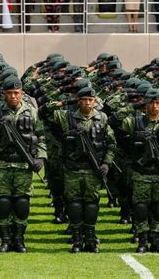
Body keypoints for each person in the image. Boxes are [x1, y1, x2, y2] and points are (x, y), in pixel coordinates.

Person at [41, 86, 116, 253]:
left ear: (95, 101)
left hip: (93, 170)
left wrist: (106, 163)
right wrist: (63, 102)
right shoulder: (66, 117)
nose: (87, 103)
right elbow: (43, 112)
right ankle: (76, 240)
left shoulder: (101, 118)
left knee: (91, 204)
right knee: (74, 204)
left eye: (91, 100)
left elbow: (111, 144)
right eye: (83, 99)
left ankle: (90, 239)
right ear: (78, 101)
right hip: (72, 169)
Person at [0, 76, 47, 253]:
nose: (13, 97)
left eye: (16, 93)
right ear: (4, 94)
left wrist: (40, 158)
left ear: (22, 94)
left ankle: (19, 238)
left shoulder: (31, 111)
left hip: (23, 166)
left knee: (22, 203)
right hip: (1, 164)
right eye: (9, 93)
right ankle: (5, 239)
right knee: (2, 202)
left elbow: (40, 136)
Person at [118, 88, 159, 254]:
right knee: (140, 208)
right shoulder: (134, 122)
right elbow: (115, 124)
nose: (155, 106)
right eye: (151, 103)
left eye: (158, 102)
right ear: (145, 104)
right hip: (141, 174)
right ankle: (142, 240)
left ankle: (157, 240)